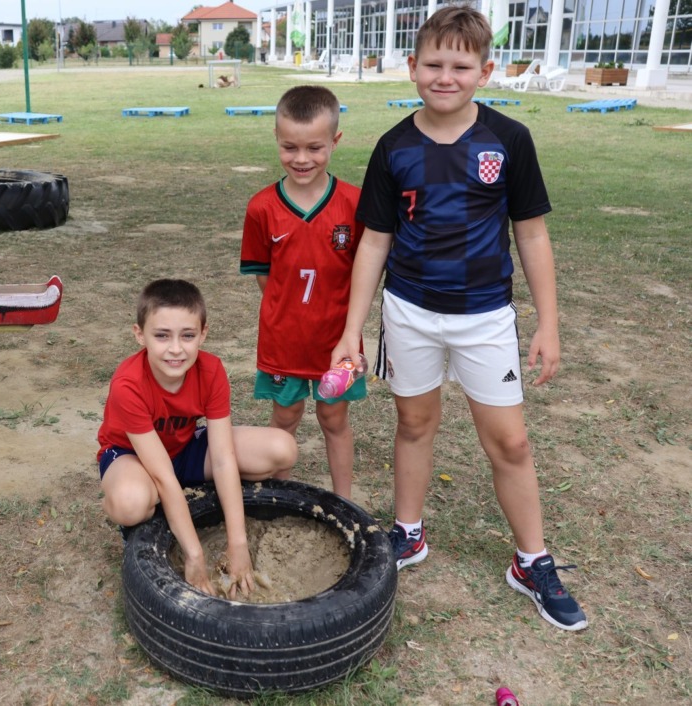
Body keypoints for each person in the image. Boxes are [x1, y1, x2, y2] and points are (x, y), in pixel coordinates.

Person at [330, 6, 587, 631]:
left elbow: (531, 234)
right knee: (414, 423)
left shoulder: (508, 139)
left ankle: (531, 561)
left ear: (485, 72)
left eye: (461, 66)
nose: (445, 77)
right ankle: (408, 532)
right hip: (410, 312)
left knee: (511, 442)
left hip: (485, 317)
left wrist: (549, 323)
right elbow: (374, 241)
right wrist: (352, 329)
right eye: (433, 64)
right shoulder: (394, 146)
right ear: (412, 67)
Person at [97, 279, 298, 598]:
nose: (176, 349)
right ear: (139, 334)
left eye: (187, 336)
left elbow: (222, 459)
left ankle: (198, 500)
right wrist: (195, 555)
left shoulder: (211, 370)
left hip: (184, 447)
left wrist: (238, 544)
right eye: (162, 335)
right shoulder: (128, 384)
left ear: (203, 334)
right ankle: (147, 508)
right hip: (131, 455)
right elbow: (162, 475)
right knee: (130, 502)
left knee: (282, 448)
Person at [240, 85, 367, 499]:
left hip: (337, 340)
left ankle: (344, 502)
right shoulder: (262, 207)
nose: (301, 158)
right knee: (285, 418)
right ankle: (279, 498)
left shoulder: (355, 204)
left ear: (335, 141)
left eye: (314, 147)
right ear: (276, 138)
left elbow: (365, 270)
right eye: (289, 147)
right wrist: (291, 309)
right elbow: (265, 276)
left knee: (334, 419)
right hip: (284, 341)